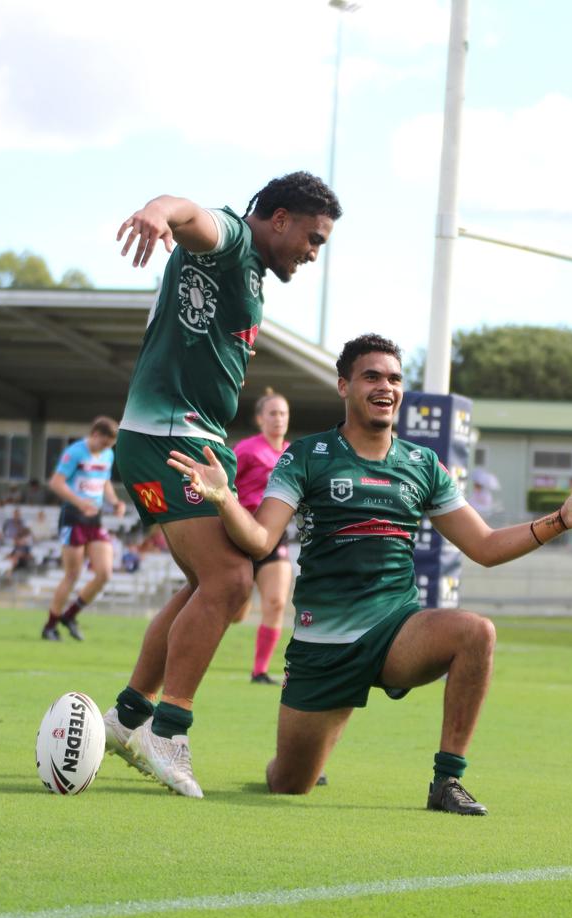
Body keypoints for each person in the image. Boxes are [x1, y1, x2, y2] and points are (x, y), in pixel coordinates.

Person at [167, 333, 572, 814]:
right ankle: (307, 746)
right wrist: (224, 500)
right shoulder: (307, 456)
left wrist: (558, 521)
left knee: (476, 633)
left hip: (395, 630)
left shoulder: (422, 463)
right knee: (288, 784)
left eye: (393, 378)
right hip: (322, 645)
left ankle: (447, 782)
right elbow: (261, 540)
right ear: (344, 385)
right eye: (371, 376)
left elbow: (486, 547)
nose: (385, 386)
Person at [102, 171, 342, 798]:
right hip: (168, 438)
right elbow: (193, 216)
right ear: (281, 218)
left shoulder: (250, 276)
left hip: (180, 440)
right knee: (233, 580)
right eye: (312, 238)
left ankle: (128, 719)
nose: (313, 252)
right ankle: (168, 728)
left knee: (211, 587)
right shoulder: (235, 239)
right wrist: (157, 208)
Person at [41, 416, 126, 641]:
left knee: (105, 573)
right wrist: (80, 503)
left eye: (110, 446)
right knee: (73, 574)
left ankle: (70, 615)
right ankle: (50, 626)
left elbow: (104, 482)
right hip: (73, 516)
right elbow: (56, 483)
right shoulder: (75, 452)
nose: (106, 448)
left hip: (94, 518)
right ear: (95, 434)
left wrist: (115, 502)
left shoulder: (108, 454)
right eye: (104, 443)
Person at [233, 390, 292, 685]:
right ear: (260, 419)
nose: (278, 419)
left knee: (277, 603)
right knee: (234, 611)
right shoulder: (246, 450)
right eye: (272, 413)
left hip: (275, 536)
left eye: (283, 413)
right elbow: (225, 485)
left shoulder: (292, 454)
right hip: (241, 536)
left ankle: (260, 671)